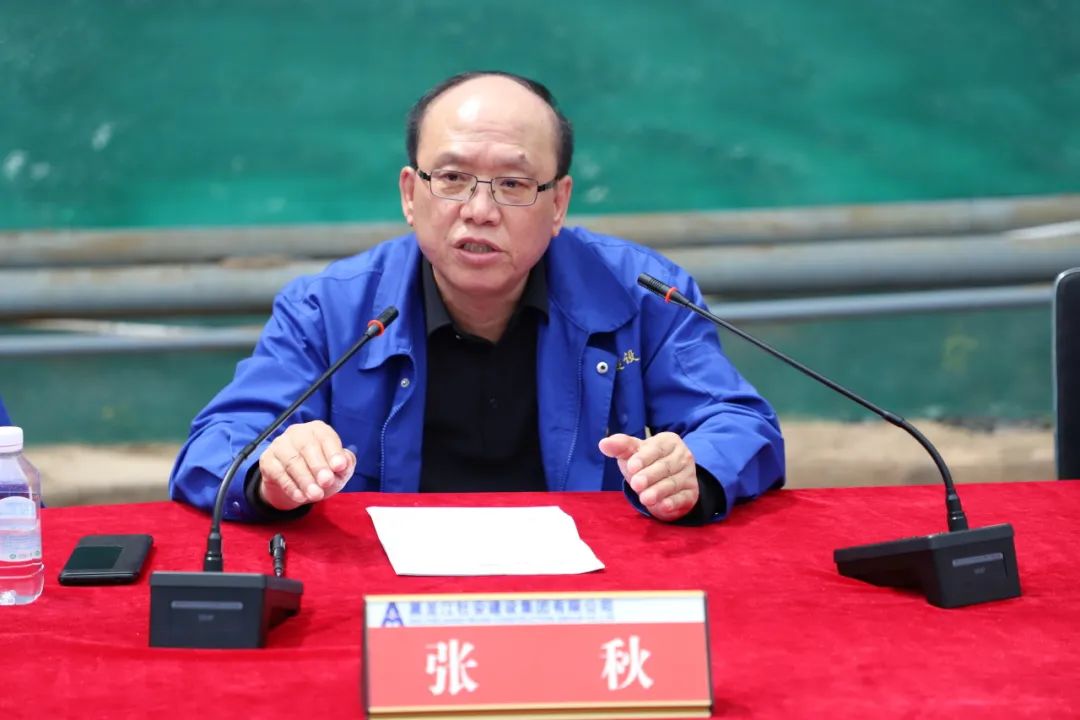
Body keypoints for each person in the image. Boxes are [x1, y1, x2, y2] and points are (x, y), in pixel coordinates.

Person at [169, 71, 785, 524]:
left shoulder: (643, 293)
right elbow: (215, 446)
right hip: (388, 598)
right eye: (452, 178)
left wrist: (693, 471)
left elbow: (741, 425)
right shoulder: (328, 310)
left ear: (558, 203)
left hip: (587, 591)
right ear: (410, 195)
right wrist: (269, 474)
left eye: (513, 183)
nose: (480, 210)